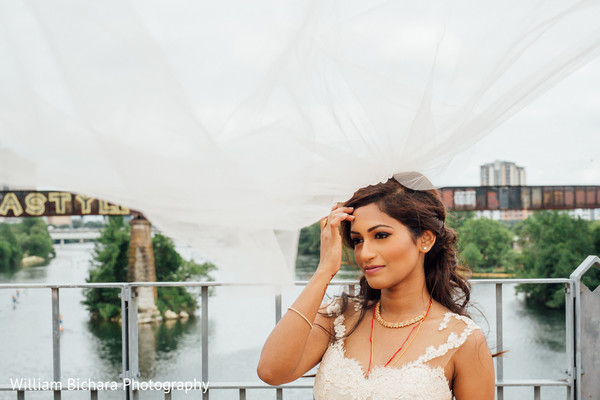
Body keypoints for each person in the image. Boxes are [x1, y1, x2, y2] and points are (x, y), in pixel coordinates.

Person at [257, 175, 495, 399]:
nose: (365, 253)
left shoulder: (463, 340)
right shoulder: (338, 317)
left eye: (380, 235)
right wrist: (324, 272)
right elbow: (271, 371)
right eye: (358, 240)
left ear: (425, 240)